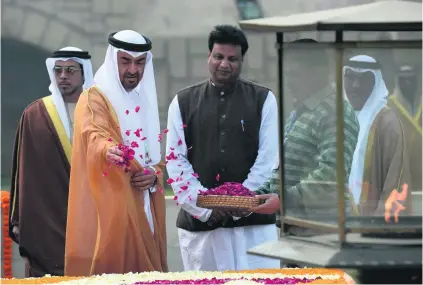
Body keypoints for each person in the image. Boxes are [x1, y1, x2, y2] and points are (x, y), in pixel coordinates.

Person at [165, 25, 279, 271]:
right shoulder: (183, 102)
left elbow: (268, 160)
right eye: (218, 57)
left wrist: (240, 204)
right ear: (209, 57)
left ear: (241, 61)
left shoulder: (263, 99)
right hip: (200, 228)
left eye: (232, 59)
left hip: (254, 229)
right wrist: (205, 207)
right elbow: (175, 162)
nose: (224, 64)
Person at [64, 30, 168, 276]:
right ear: (113, 60)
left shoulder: (144, 100)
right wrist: (110, 150)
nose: (133, 69)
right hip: (112, 207)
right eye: (126, 61)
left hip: (145, 203)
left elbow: (154, 157)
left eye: (139, 62)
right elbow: (94, 133)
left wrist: (154, 175)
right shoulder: (94, 97)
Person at [249, 40, 360, 234]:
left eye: (295, 75)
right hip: (296, 227)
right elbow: (281, 170)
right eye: (287, 74)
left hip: (323, 231)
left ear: (318, 74)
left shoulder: (335, 112)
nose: (288, 82)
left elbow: (332, 173)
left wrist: (284, 199)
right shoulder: (302, 112)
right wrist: (251, 197)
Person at [8, 47, 94, 277]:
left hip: (90, 221)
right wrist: (17, 220)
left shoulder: (99, 112)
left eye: (70, 70)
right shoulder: (35, 114)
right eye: (58, 70)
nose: (63, 76)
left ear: (84, 73)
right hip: (45, 222)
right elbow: (22, 172)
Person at [343, 55, 412, 216]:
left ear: (376, 83)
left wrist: (379, 222)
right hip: (335, 221)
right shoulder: (336, 118)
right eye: (350, 77)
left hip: (370, 222)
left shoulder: (387, 122)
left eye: (364, 79)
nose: (356, 85)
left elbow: (396, 179)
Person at [388, 65, 422, 193]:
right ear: (398, 81)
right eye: (403, 80)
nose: (408, 83)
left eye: (411, 80)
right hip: (400, 173)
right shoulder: (389, 106)